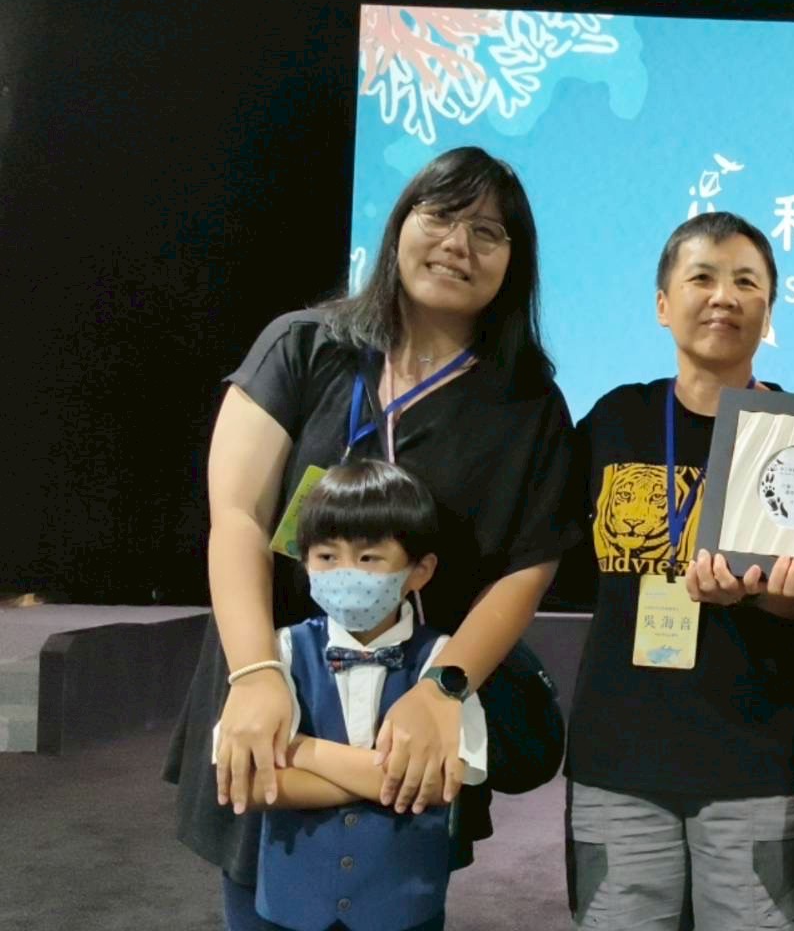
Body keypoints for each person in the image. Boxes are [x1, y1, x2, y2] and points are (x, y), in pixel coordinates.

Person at [163, 146, 579, 927]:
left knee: (396, 900)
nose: (458, 244)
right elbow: (239, 517)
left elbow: (527, 568)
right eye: (441, 216)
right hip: (277, 684)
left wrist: (443, 688)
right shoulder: (304, 346)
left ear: (514, 263)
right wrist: (255, 673)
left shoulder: (528, 405)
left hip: (411, 707)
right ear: (400, 226)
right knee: (262, 897)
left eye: (487, 232)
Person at [563, 211, 794, 931]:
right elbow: (555, 556)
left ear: (769, 310)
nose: (723, 297)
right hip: (619, 757)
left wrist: (765, 597)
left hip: (756, 759)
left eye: (747, 282)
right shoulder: (616, 419)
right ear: (662, 303)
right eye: (701, 277)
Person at [215, 459, 485, 931]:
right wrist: (385, 779)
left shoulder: (444, 663)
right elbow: (250, 783)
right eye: (326, 556)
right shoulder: (278, 651)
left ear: (420, 571)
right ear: (304, 563)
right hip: (293, 907)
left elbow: (442, 783)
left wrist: (299, 751)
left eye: (368, 559)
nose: (345, 573)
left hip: (403, 907)